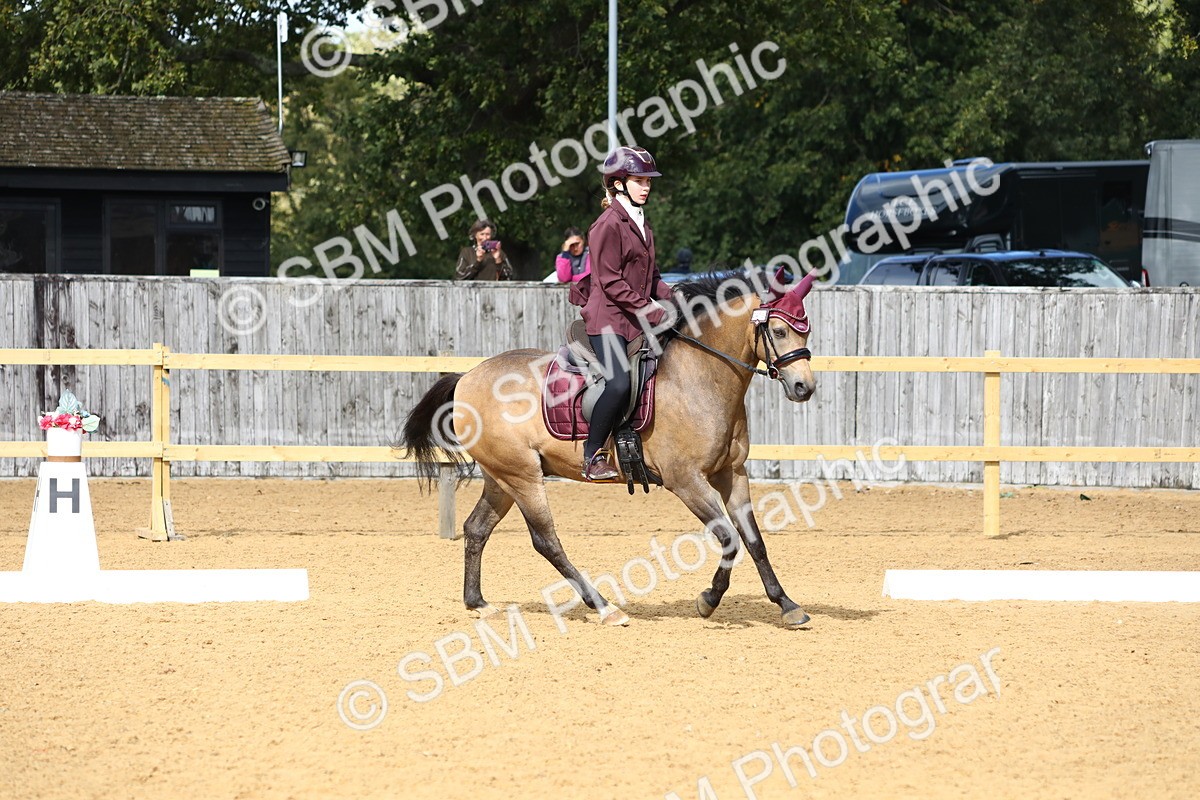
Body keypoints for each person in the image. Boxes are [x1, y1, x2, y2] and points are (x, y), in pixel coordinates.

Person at [577, 146, 675, 481]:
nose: (646, 186)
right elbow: (609, 281)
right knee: (618, 384)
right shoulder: (607, 224)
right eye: (639, 180)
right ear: (618, 183)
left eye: (648, 181)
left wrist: (678, 297)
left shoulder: (642, 225)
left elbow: (654, 278)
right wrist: (647, 308)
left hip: (632, 321)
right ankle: (592, 457)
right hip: (607, 321)